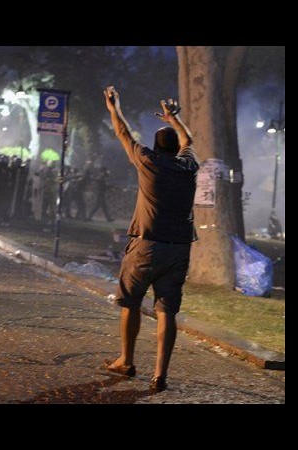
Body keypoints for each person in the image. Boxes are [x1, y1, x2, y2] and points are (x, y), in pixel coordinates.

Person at [102, 86, 199, 392]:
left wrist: (114, 107)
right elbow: (189, 141)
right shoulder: (189, 166)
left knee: (130, 302)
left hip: (147, 245)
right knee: (167, 311)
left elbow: (124, 133)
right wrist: (175, 119)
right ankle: (160, 374)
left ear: (156, 149)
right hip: (179, 249)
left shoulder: (148, 161)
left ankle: (126, 361)